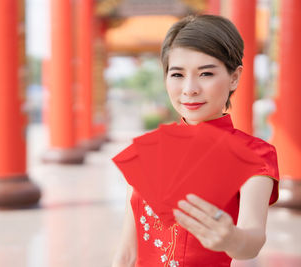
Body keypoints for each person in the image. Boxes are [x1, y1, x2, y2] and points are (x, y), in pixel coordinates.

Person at [112, 15, 279, 267]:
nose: (189, 89)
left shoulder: (253, 153)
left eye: (206, 73)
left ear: (234, 77)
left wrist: (231, 239)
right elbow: (127, 254)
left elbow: (253, 239)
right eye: (177, 74)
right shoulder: (145, 150)